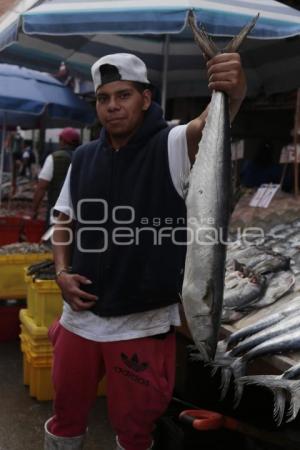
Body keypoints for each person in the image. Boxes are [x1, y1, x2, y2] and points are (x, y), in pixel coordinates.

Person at [46, 52, 246, 450]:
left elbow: (208, 125)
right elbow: (63, 219)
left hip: (142, 323)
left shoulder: (170, 145)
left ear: (146, 99)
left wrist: (234, 91)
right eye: (104, 98)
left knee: (135, 430)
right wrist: (61, 271)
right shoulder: (83, 157)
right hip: (79, 321)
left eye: (123, 95)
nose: (112, 106)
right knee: (65, 415)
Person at [31, 127, 80, 227]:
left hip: (57, 211)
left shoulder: (54, 158)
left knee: (53, 239)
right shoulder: (84, 157)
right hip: (79, 212)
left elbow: (41, 187)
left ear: (62, 140)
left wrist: (34, 210)